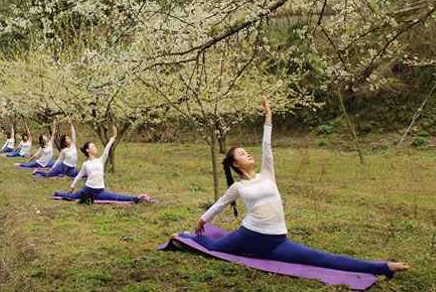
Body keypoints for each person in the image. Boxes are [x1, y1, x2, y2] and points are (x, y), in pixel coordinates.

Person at [185, 97, 408, 277]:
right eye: (242, 154)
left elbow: (267, 147)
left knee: (322, 258)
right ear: (236, 164)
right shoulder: (239, 187)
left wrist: (268, 117)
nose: (248, 153)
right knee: (213, 248)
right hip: (249, 235)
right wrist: (202, 220)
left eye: (247, 151)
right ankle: (186, 237)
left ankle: (382, 267)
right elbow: (220, 204)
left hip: (277, 240)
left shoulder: (267, 174)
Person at [52, 125, 147, 204]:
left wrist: (113, 138)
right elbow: (79, 176)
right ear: (87, 150)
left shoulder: (101, 160)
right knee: (71, 197)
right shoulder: (86, 164)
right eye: (93, 146)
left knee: (115, 196)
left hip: (100, 190)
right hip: (88, 189)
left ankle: (136, 198)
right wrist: (72, 188)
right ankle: (57, 193)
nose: (95, 147)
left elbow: (107, 149)